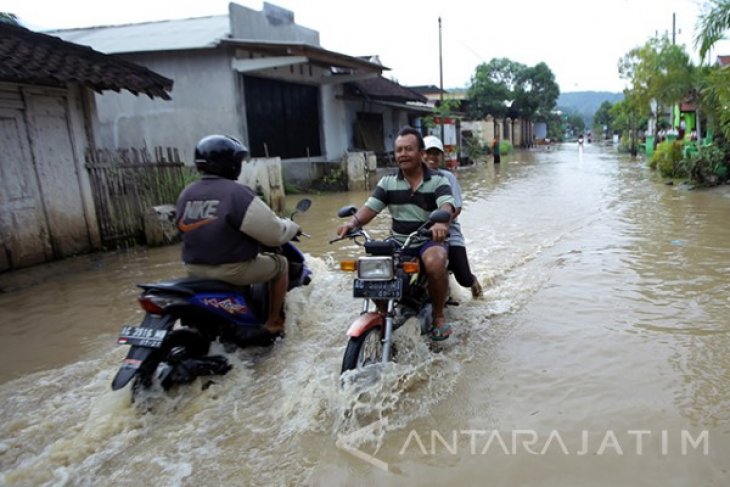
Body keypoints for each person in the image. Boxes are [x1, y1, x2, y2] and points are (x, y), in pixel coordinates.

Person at [335, 126, 456, 340]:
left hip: (427, 240)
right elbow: (370, 208)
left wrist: (441, 223)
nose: (402, 154)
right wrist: (352, 223)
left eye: (408, 149)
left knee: (435, 262)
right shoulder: (388, 182)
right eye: (399, 150)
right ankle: (383, 314)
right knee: (369, 268)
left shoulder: (438, 180)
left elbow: (447, 205)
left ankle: (438, 315)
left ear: (421, 153)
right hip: (399, 242)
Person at [175, 134, 300, 340]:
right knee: (282, 264)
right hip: (232, 270)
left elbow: (183, 229)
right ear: (231, 164)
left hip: (193, 269)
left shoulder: (187, 193)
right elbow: (274, 234)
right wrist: (292, 227)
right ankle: (274, 321)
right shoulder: (237, 193)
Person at [422, 135, 483, 298]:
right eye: (429, 152)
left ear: (441, 156)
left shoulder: (447, 177)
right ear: (421, 154)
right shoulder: (412, 177)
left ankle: (474, 284)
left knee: (463, 277)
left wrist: (441, 223)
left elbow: (456, 207)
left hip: (449, 233)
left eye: (436, 153)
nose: (432, 157)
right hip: (418, 232)